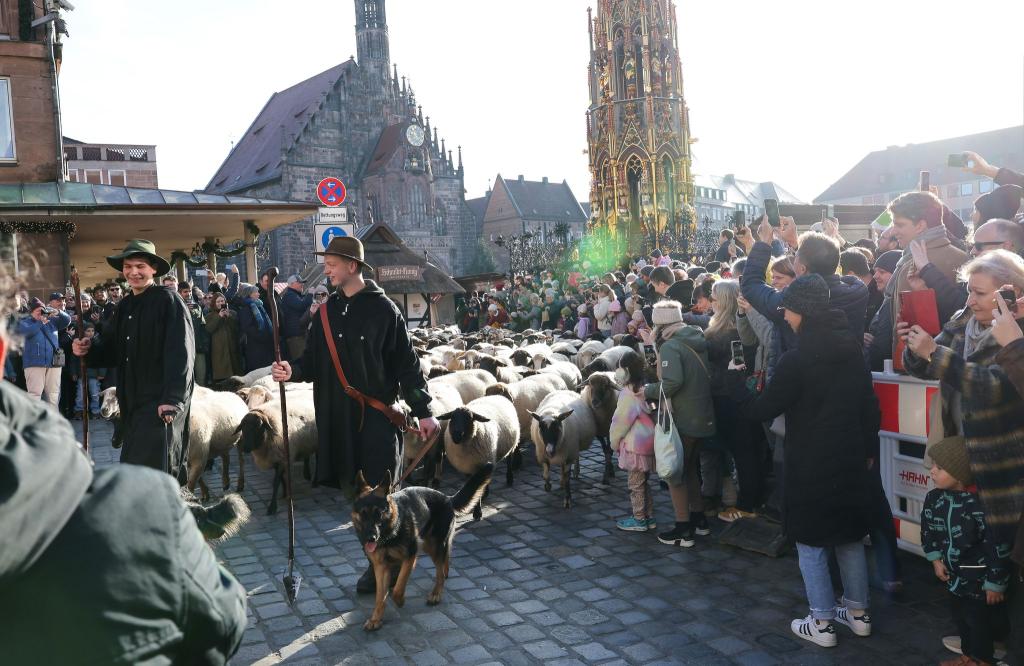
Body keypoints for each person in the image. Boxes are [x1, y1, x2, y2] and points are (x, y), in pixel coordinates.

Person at [270, 236, 438, 594]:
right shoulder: (327, 312)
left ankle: (388, 563)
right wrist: (291, 370)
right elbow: (313, 361)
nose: (326, 269)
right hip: (337, 422)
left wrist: (424, 411)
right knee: (355, 496)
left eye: (332, 263)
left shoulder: (384, 310)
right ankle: (376, 561)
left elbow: (408, 366)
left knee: (381, 497)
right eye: (326, 263)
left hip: (376, 421)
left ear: (353, 266)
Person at [732, 274, 877, 648]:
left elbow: (765, 407)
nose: (785, 317)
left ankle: (823, 621)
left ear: (801, 312)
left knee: (810, 540)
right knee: (848, 536)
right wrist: (867, 451)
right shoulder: (851, 350)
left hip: (811, 460)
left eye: (786, 310)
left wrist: (743, 391)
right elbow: (868, 407)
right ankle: (858, 613)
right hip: (850, 456)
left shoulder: (798, 359)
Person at [901, 249, 1024, 547]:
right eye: (969, 290)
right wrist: (914, 346)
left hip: (999, 457)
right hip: (958, 448)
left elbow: (994, 388)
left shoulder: (1017, 333)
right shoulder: (964, 318)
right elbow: (926, 368)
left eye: (980, 293)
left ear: (1011, 291)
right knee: (961, 537)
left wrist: (933, 352)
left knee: (998, 545)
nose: (970, 301)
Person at [72, 239, 195, 476]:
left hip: (161, 402)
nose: (133, 272)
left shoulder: (168, 301)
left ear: (154, 269)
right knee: (135, 468)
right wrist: (87, 348)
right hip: (132, 402)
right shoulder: (125, 306)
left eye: (140, 266)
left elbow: (181, 353)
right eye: (128, 267)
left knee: (158, 470)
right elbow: (110, 348)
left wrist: (172, 398)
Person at [920, 436, 1011, 666]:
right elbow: (928, 531)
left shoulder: (980, 506)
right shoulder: (933, 499)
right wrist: (935, 560)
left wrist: (995, 583)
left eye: (939, 468)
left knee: (978, 622)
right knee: (961, 619)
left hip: (979, 579)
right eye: (933, 465)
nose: (932, 471)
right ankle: (967, 656)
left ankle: (982, 660)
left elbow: (997, 545)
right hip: (953, 577)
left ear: (959, 475)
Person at [643, 300, 716, 548]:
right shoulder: (695, 337)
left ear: (660, 323)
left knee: (674, 472)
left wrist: (647, 390)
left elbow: (672, 383)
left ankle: (683, 529)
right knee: (690, 470)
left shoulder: (672, 346)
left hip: (684, 417)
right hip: (702, 414)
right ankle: (699, 520)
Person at [610, 350, 656, 532]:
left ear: (625, 371)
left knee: (635, 484)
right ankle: (648, 516)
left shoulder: (628, 394)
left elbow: (620, 421)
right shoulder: (646, 390)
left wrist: (614, 441)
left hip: (634, 446)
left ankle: (638, 519)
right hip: (648, 443)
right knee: (644, 482)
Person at [16, 297, 71, 404]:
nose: (41, 313)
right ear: (31, 312)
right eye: (38, 311)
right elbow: (27, 332)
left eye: (43, 310)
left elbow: (67, 320)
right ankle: (34, 420)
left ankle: (53, 419)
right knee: (34, 394)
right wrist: (40, 322)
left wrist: (58, 312)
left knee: (53, 394)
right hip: (34, 364)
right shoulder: (24, 322)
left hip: (54, 363)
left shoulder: (52, 321)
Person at [236, 284, 275, 371]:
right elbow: (247, 327)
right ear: (250, 294)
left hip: (265, 344)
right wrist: (261, 336)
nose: (258, 294)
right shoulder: (245, 309)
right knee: (258, 370)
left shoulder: (259, 305)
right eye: (256, 292)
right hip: (255, 346)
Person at [205, 293, 243, 382]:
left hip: (232, 348)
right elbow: (209, 329)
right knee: (222, 376)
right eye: (218, 301)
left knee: (236, 375)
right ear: (214, 303)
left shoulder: (232, 313)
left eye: (222, 301)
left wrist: (229, 317)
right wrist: (219, 317)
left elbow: (237, 328)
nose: (220, 303)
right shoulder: (209, 316)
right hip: (218, 350)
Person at [179, 282, 209, 387]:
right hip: (183, 349)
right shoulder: (175, 307)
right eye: (185, 292)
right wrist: (184, 310)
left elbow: (202, 327)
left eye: (189, 291)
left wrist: (204, 345)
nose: (188, 294)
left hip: (198, 347)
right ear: (179, 293)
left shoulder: (197, 307)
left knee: (201, 377)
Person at [71, 322, 104, 419]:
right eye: (88, 331)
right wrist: (73, 372)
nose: (90, 333)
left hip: (94, 374)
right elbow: (73, 359)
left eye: (92, 330)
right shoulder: (78, 342)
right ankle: (79, 411)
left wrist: (101, 373)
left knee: (95, 393)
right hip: (81, 373)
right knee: (80, 394)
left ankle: (95, 411)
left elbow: (102, 360)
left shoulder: (98, 342)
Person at [280, 273, 313, 360]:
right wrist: (310, 294)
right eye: (299, 282)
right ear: (292, 284)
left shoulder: (294, 295)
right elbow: (301, 305)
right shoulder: (289, 296)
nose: (302, 284)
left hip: (299, 334)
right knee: (300, 360)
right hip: (295, 336)